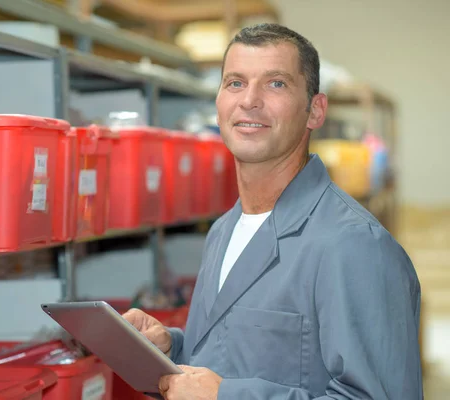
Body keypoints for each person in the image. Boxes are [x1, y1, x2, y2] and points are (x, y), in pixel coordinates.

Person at [124, 23, 423, 399]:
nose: (249, 100)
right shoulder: (222, 231)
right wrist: (172, 350)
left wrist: (225, 397)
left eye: (275, 83)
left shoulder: (354, 246)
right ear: (217, 105)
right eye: (235, 83)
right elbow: (234, 360)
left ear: (315, 110)